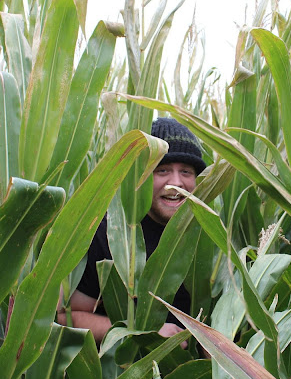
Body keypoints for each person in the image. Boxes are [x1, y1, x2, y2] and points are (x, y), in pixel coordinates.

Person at [57, 117, 207, 343]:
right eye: (162, 170)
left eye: (186, 171)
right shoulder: (110, 234)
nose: (176, 182)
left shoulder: (208, 234)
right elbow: (66, 317)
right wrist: (143, 332)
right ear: (141, 175)